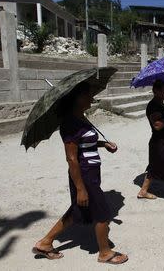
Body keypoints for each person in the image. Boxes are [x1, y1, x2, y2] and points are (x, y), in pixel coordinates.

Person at [32, 82, 128, 265]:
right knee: (102, 213)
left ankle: (45, 243)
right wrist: (81, 188)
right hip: (84, 175)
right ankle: (105, 253)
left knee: (77, 211)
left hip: (90, 173)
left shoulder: (81, 118)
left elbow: (86, 144)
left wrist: (104, 144)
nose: (92, 98)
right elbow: (72, 159)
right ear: (76, 98)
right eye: (88, 95)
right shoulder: (70, 124)